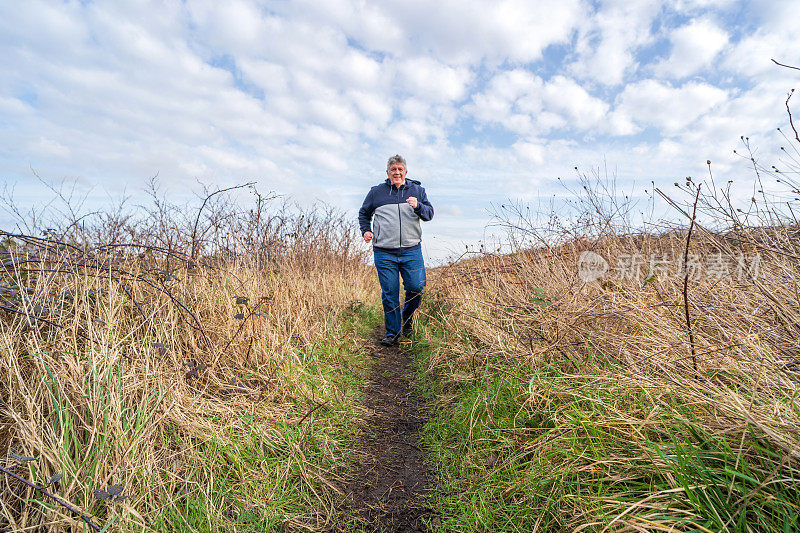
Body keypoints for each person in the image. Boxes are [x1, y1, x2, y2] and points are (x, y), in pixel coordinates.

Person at [358, 155, 434, 346]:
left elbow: (429, 214)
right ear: (388, 173)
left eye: (400, 169)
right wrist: (366, 230)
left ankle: (407, 322)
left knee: (416, 288)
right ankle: (392, 333)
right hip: (384, 252)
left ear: (406, 172)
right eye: (393, 169)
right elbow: (364, 213)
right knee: (390, 293)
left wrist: (418, 206)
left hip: (411, 251)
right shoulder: (377, 193)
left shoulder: (417, 190)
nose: (397, 172)